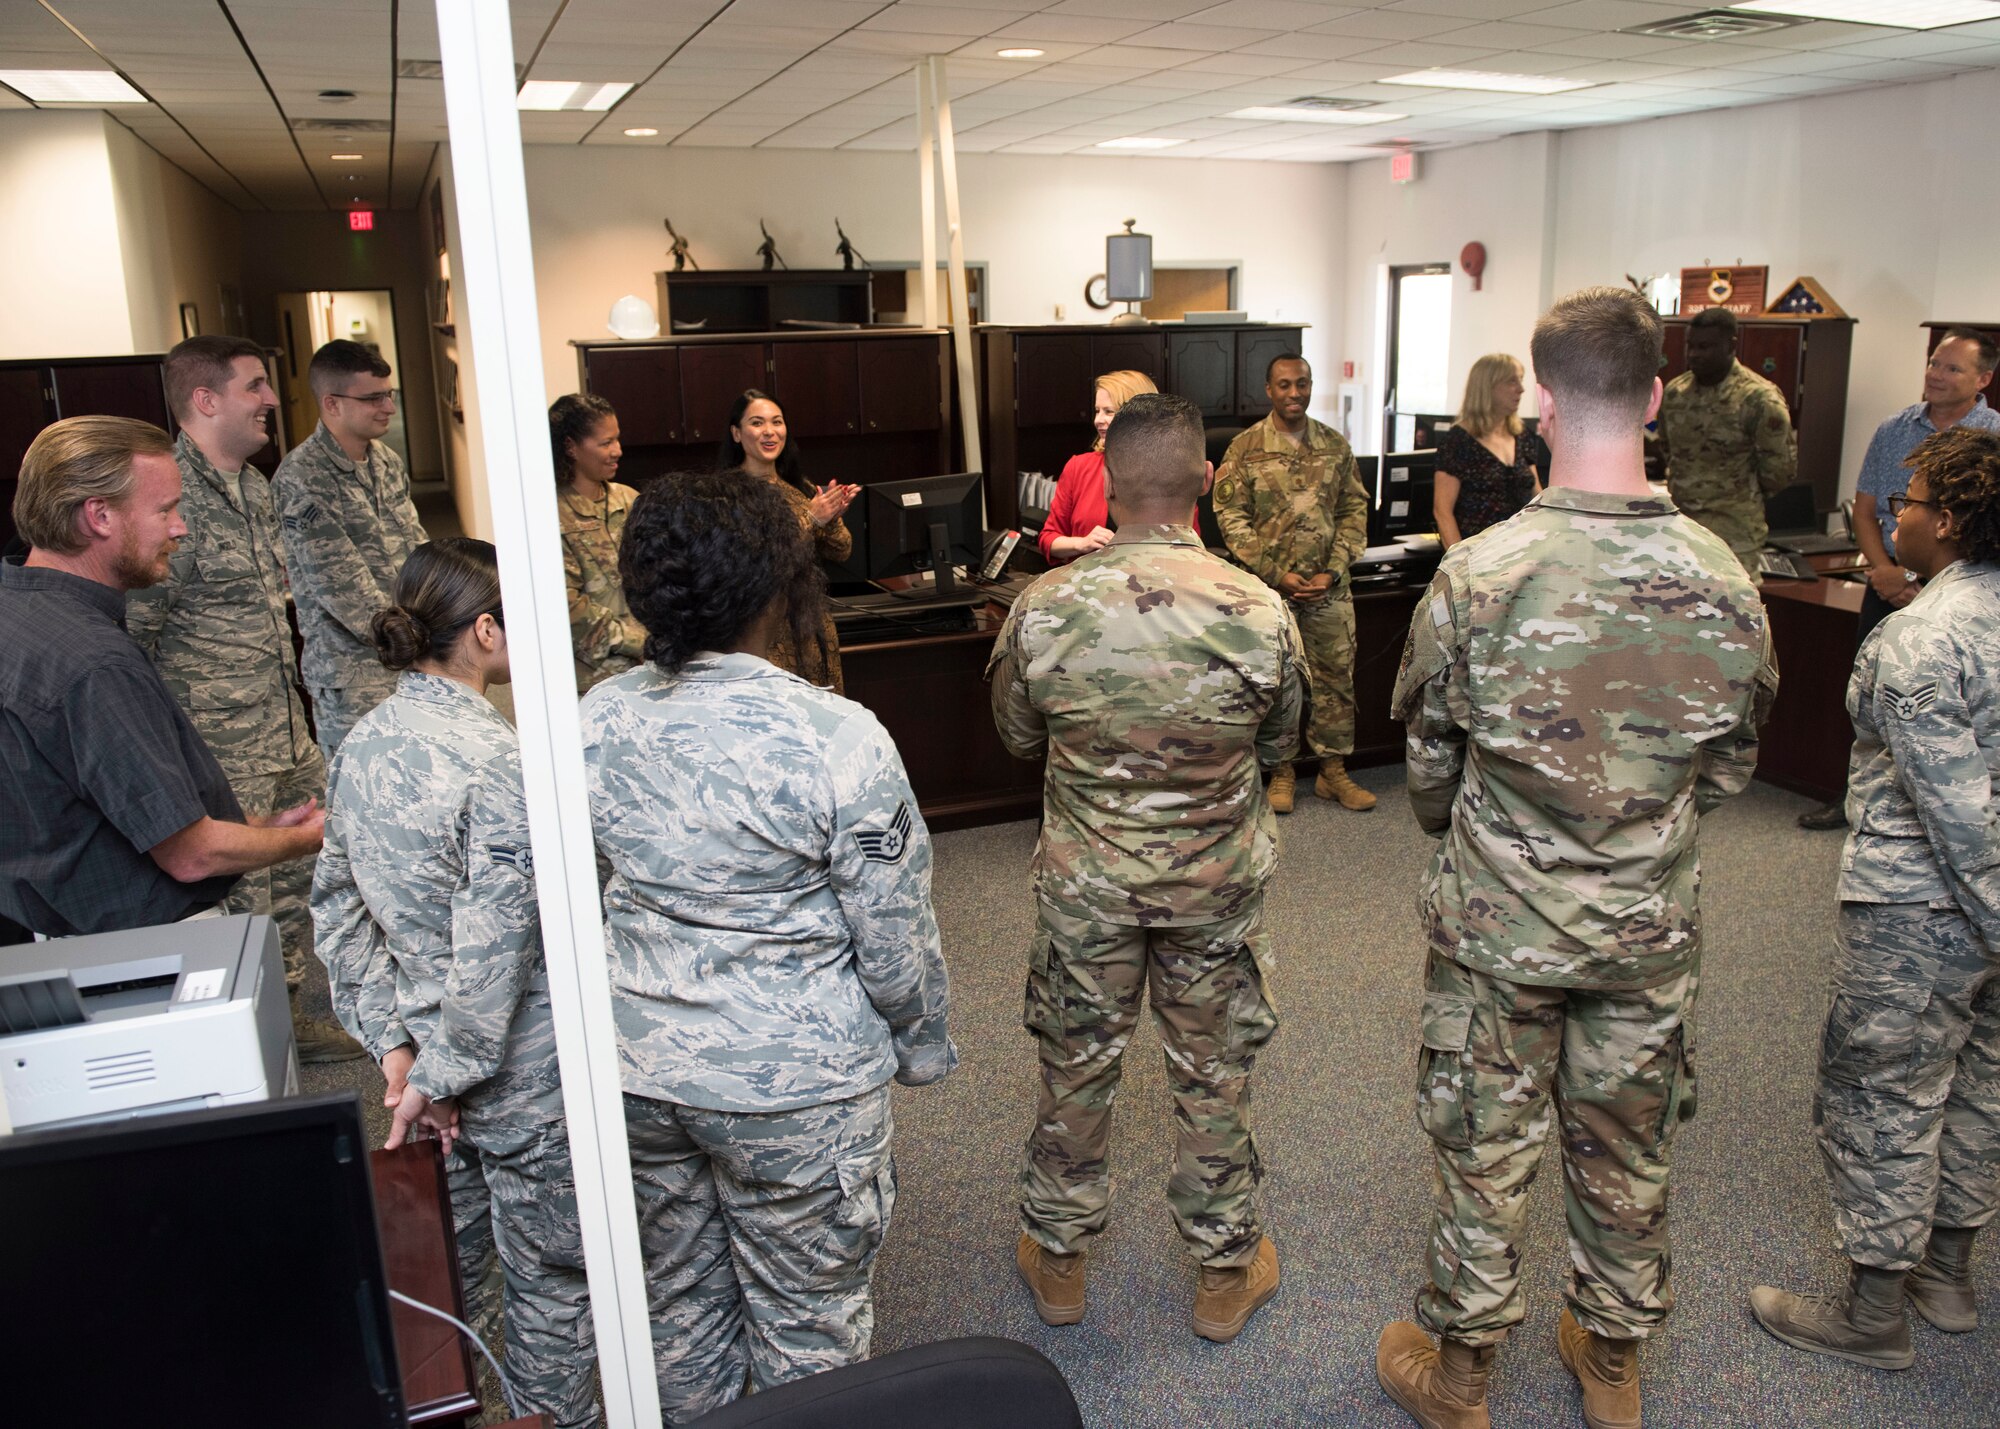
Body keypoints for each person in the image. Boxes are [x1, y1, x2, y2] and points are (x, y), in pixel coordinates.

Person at [1376, 288, 1777, 1429]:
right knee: (1625, 1143)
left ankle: (1459, 1381)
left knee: (1483, 1148)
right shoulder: (1723, 580)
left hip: (1501, 925)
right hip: (1644, 926)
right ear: (1654, 397)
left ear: (1543, 402)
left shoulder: (1481, 575)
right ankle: (1611, 1364)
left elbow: (1428, 768)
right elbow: (1731, 768)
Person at [581, 470, 955, 1420]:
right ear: (775, 586)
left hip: (638, 1074)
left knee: (680, 1314)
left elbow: (571, 895)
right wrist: (919, 1043)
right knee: (810, 1333)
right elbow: (895, 935)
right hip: (798, 1091)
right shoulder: (837, 736)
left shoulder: (594, 720)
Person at [990, 393, 1306, 1345]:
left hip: (1088, 887)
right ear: (1205, 482)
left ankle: (1060, 1261)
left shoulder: (1044, 609)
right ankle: (1221, 1272)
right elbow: (1283, 741)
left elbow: (1015, 737)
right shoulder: (1259, 610)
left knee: (1077, 1064)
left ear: (1108, 487)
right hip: (1213, 888)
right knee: (1212, 1072)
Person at [313, 538, 598, 1429]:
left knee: (445, 1286)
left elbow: (338, 913)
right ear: (483, 630)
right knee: (551, 1291)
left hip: (422, 1082)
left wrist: (398, 1055)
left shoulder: (361, 745)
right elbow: (500, 938)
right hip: (514, 1074)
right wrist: (448, 1071)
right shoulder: (501, 760)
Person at [1749, 426, 2000, 1371]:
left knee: (1883, 1098)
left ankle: (1873, 1311)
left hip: (1923, 913)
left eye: (1913, 502)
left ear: (1953, 520)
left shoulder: (1923, 636)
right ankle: (1948, 1273)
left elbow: (1958, 814)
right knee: (1980, 1087)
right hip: (1984, 922)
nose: (1898, 516)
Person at [123, 337, 357, 1063]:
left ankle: (292, 1014)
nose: (270, 400)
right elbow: (136, 639)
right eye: (255, 385)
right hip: (216, 744)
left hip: (283, 728)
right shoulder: (166, 500)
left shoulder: (257, 488)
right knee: (238, 906)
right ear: (206, 400)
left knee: (296, 884)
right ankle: (245, 1043)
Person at [0, 416, 324, 938]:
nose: (180, 527)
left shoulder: (17, 606)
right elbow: (190, 856)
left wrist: (256, 830)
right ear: (99, 516)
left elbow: (99, 807)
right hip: (141, 945)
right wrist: (312, 837)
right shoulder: (94, 664)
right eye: (165, 510)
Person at [1798, 329, 1999, 831]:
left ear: (1983, 379)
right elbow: (1867, 510)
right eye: (1934, 362)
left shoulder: (1990, 437)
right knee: (1872, 699)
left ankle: (1927, 816)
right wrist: (1887, 573)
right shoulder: (1895, 428)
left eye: (1952, 368)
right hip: (1888, 582)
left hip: (1959, 582)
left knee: (1950, 713)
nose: (1936, 374)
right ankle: (1860, 798)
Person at [1213, 352, 1374, 813]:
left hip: (1329, 589)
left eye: (1302, 384)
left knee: (1335, 681)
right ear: (1269, 390)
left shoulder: (1334, 446)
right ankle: (1281, 772)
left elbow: (1353, 512)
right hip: (1269, 593)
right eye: (1284, 385)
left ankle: (1333, 772)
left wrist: (1333, 570)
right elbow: (1231, 518)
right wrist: (1274, 572)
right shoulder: (1245, 449)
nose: (1294, 393)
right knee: (1278, 682)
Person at [273, 338, 427, 762]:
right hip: (355, 675)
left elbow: (417, 551)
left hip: (413, 657)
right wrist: (429, 638)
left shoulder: (387, 462)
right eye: (373, 398)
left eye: (388, 395)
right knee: (365, 791)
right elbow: (345, 592)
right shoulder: (303, 478)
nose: (388, 408)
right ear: (332, 404)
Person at [718, 388, 857, 693]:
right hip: (762, 635)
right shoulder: (726, 494)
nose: (769, 431)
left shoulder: (800, 487)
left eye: (777, 422)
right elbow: (757, 558)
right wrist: (812, 519)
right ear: (737, 434)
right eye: (757, 423)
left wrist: (832, 515)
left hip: (812, 628)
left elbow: (842, 550)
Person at [1655, 305, 1797, 570]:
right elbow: (1668, 449)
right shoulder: (1675, 393)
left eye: (1705, 347)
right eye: (1691, 346)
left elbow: (1779, 471)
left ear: (1731, 345)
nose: (1694, 355)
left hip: (1734, 533)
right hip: (1682, 527)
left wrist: (1736, 494)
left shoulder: (1758, 399)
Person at [552, 392, 644, 692]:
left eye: (617, 439)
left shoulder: (630, 500)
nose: (617, 450)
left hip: (649, 666)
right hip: (593, 678)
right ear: (571, 447)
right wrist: (638, 642)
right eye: (605, 443)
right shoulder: (553, 514)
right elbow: (567, 607)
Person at [1037, 369, 1158, 564]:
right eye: (1097, 410)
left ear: (1138, 416)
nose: (1097, 420)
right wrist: (1081, 543)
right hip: (1087, 585)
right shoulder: (1079, 467)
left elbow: (1189, 546)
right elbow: (1048, 539)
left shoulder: (1168, 471)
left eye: (1109, 411)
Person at [1433, 353, 1543, 548]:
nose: (1521, 389)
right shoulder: (1458, 441)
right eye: (1512, 381)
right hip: (1477, 555)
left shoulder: (1521, 435)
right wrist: (1458, 564)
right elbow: (1442, 512)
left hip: (1519, 551)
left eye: (1521, 380)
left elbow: (1537, 498)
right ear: (1487, 388)